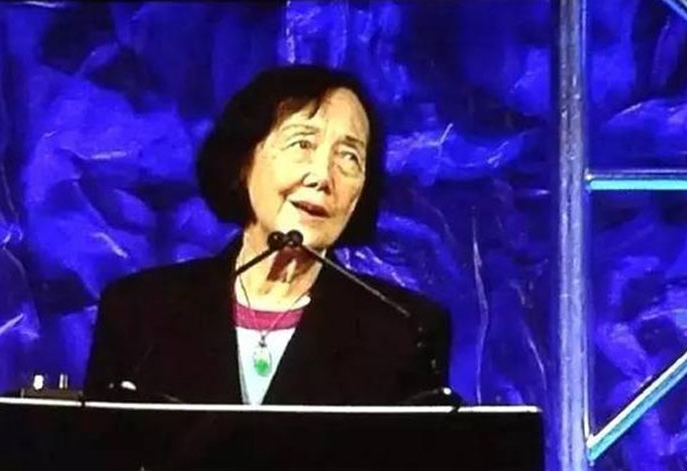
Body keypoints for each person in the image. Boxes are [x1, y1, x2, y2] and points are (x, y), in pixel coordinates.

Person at [84, 64, 451, 405]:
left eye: (349, 157)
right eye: (302, 144)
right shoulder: (141, 314)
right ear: (245, 160)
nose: (323, 176)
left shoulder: (405, 331)